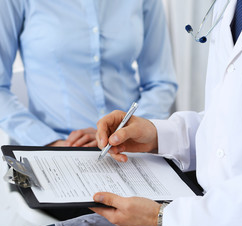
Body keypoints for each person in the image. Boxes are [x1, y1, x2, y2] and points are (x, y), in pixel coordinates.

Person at [22, 0, 242, 226]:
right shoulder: (233, 6)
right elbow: (234, 123)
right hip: (209, 214)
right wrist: (160, 135)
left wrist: (166, 217)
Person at [0, 0, 177, 148]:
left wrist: (129, 131)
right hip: (54, 146)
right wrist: (49, 142)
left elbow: (161, 82)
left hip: (125, 148)